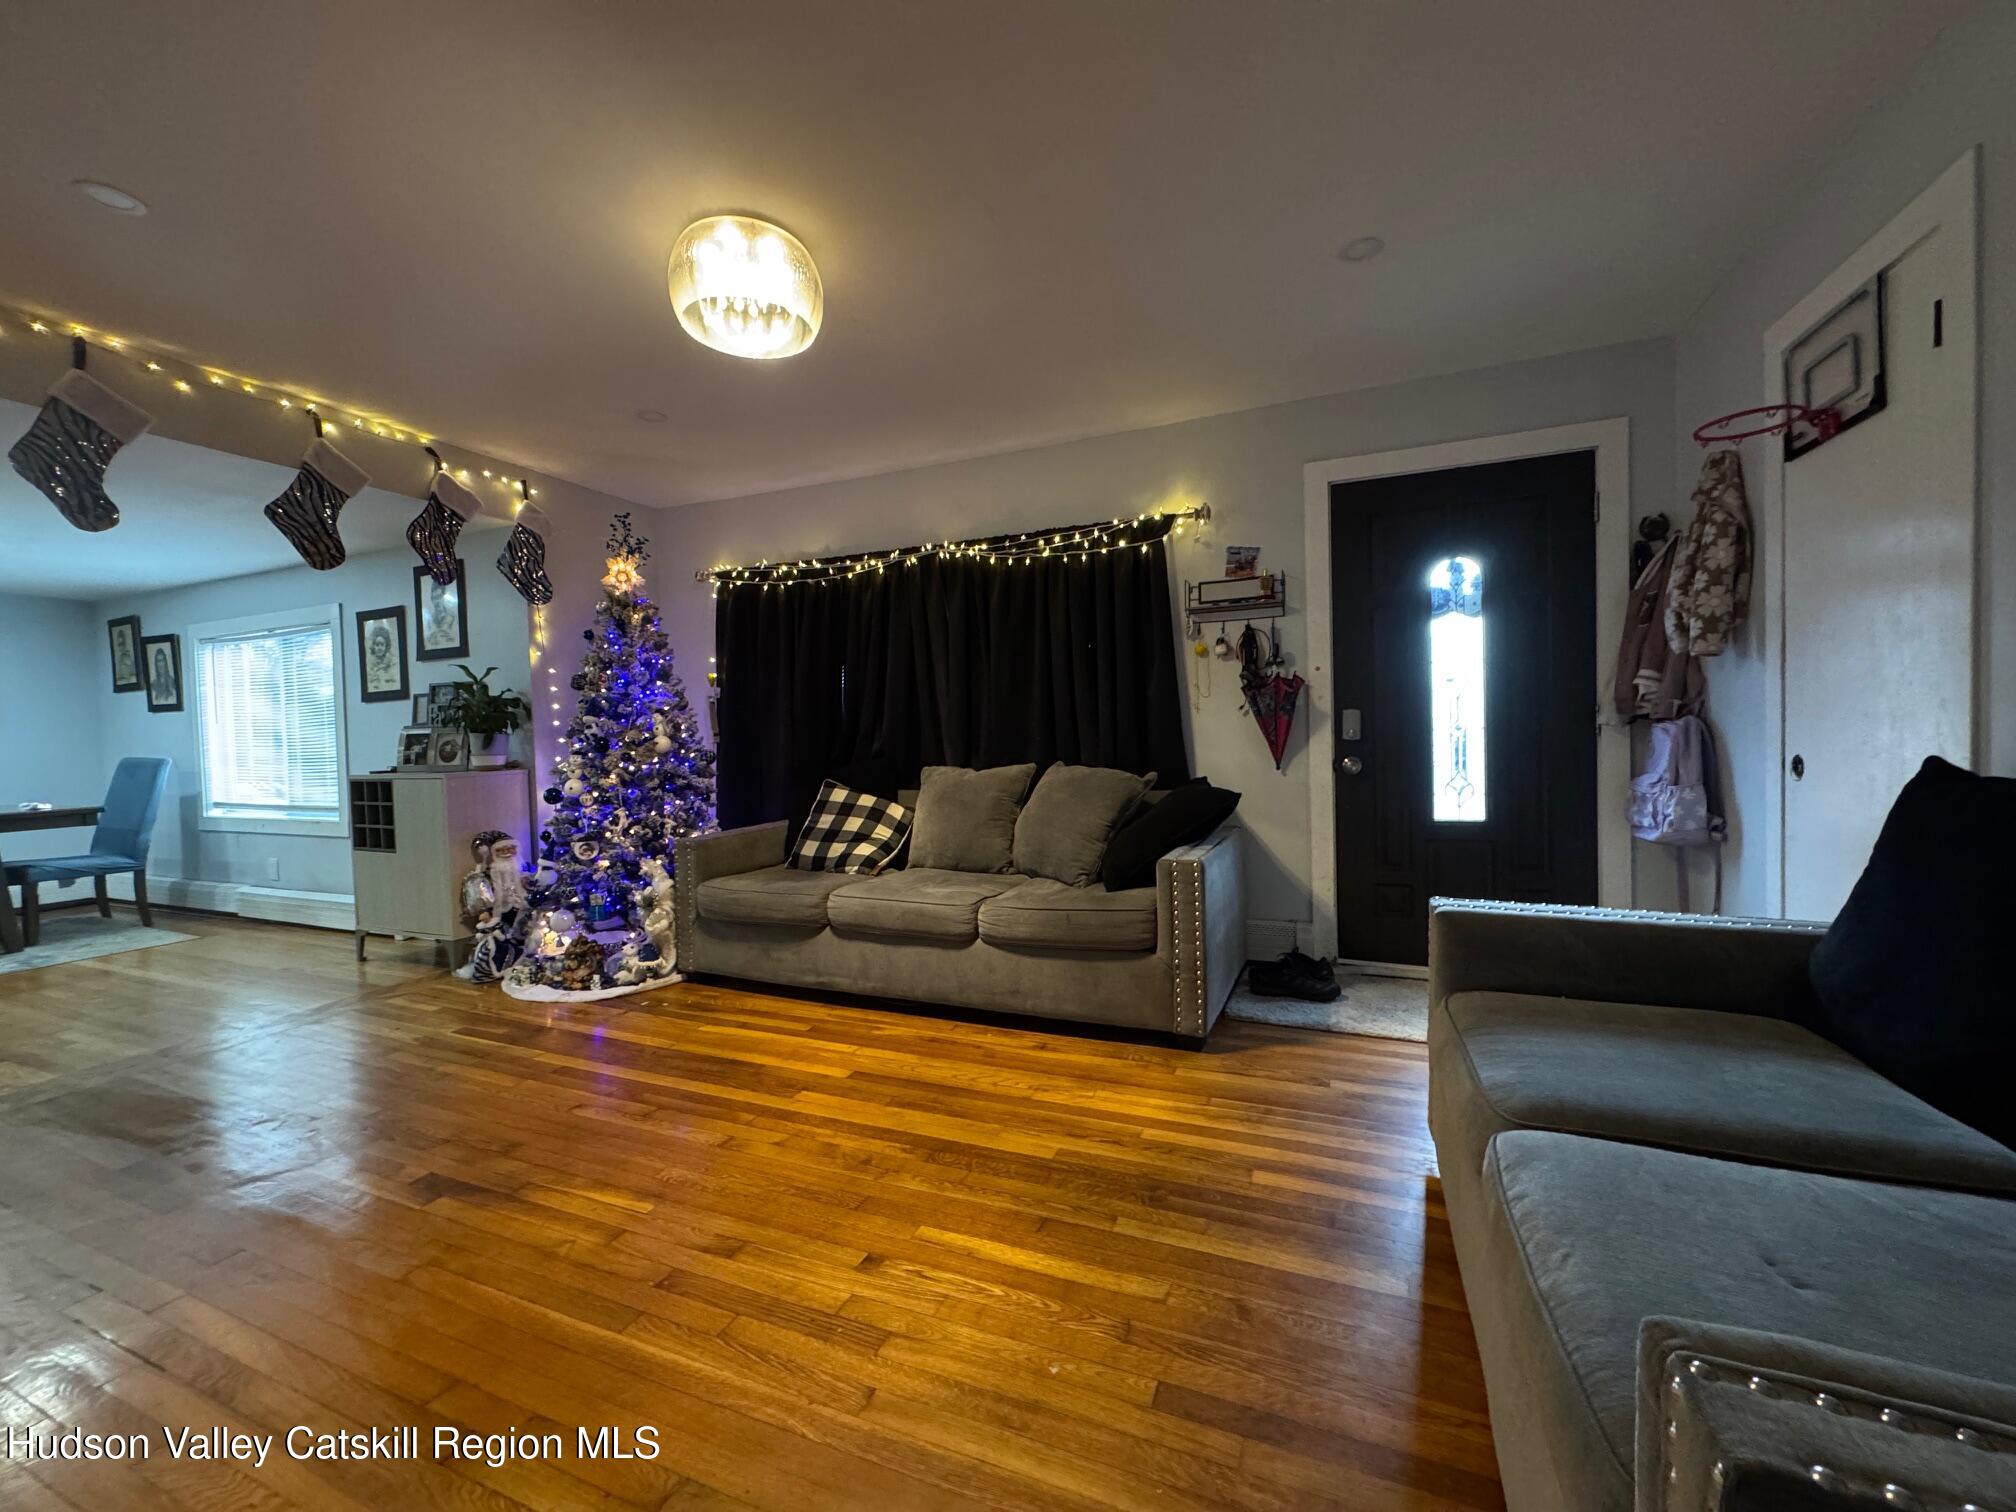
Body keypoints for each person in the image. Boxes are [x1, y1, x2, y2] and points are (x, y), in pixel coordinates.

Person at [453, 829, 528, 983]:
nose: (507, 853)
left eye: (511, 849)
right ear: (494, 853)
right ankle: (497, 967)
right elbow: (479, 893)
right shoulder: (488, 875)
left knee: (523, 936)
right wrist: (483, 911)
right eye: (502, 850)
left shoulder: (524, 870)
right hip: (498, 914)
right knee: (500, 940)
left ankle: (521, 961)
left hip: (523, 911)